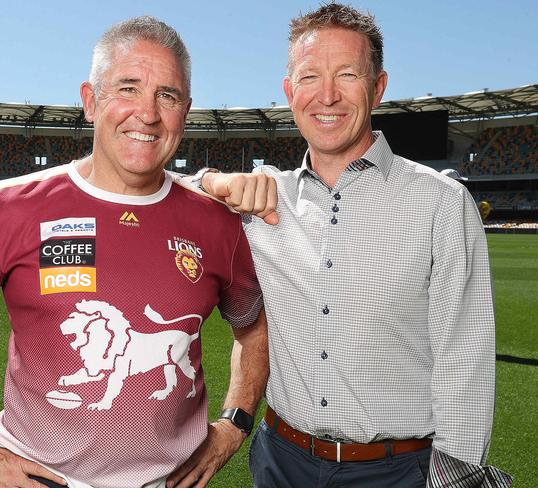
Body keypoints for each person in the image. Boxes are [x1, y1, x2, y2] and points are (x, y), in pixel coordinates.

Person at [0, 17, 267, 488]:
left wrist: (235, 424)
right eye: (127, 89)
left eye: (166, 96)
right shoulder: (5, 207)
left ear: (184, 112)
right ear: (90, 101)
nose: (147, 114)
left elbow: (254, 331)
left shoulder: (218, 223)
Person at [196, 4, 510, 487]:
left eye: (347, 74)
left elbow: (464, 358)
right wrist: (211, 179)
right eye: (309, 77)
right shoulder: (260, 198)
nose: (327, 95)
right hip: (281, 461)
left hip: (396, 470)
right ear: (289, 91)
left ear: (378, 87)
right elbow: (150, 185)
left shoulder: (441, 203)